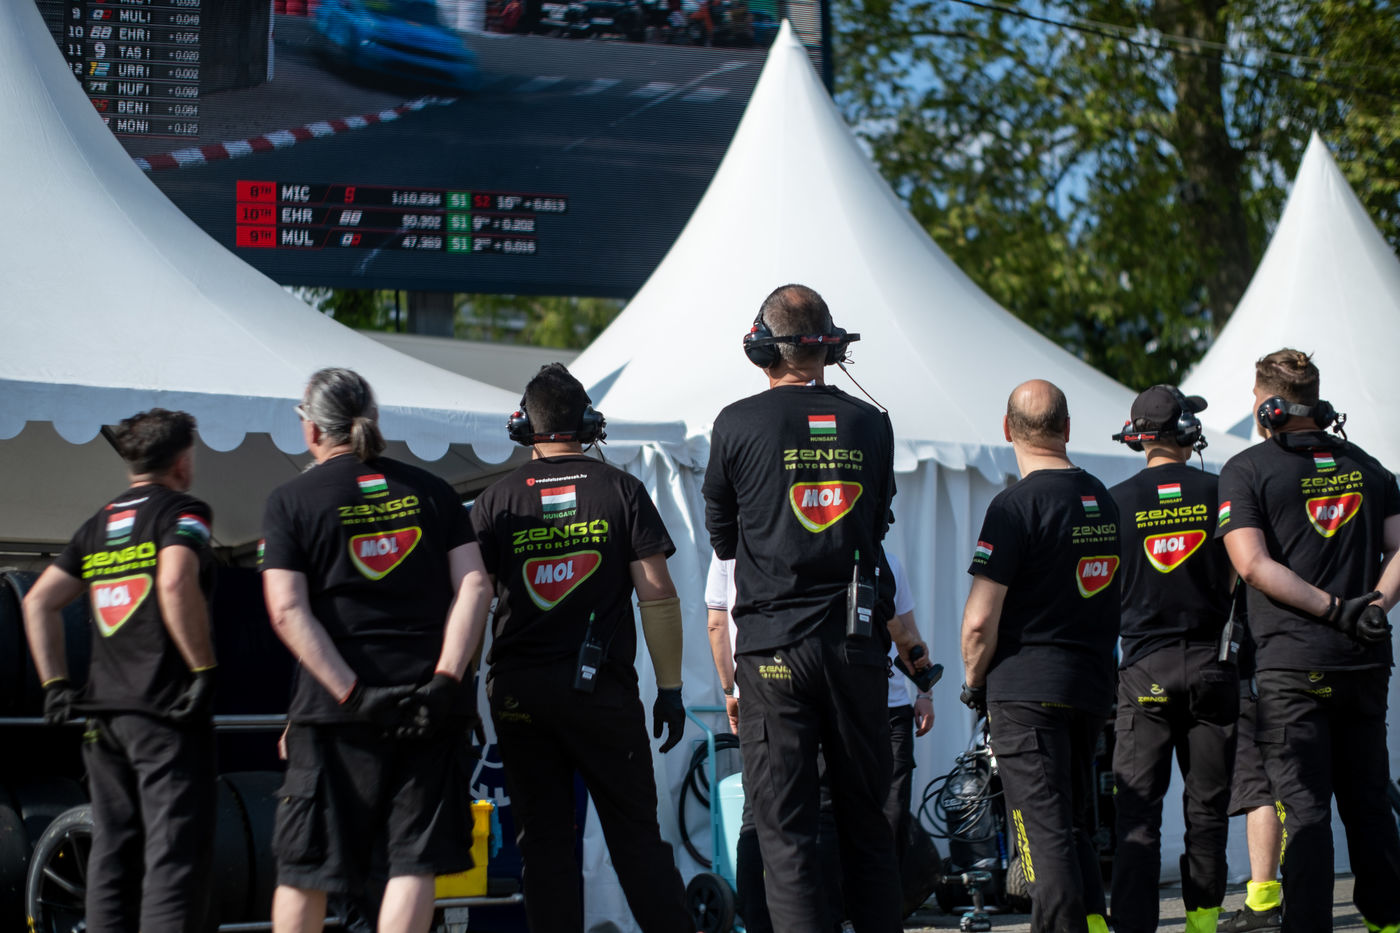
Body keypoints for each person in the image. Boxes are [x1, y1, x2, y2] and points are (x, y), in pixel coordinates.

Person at [702, 283, 927, 932]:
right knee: (868, 825)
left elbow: (723, 540)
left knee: (786, 833)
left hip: (773, 649)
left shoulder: (735, 422)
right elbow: (876, 527)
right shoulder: (872, 424)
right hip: (856, 648)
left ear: (763, 349)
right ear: (830, 347)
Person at [259, 368, 493, 933]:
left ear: (311, 429)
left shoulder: (290, 500)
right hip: (427, 707)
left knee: (307, 866)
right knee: (413, 862)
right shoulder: (433, 491)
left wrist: (353, 694)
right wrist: (444, 681)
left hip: (335, 714)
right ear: (374, 420)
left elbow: (287, 610)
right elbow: (475, 586)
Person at [471, 363, 693, 933]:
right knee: (637, 839)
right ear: (590, 423)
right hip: (602, 697)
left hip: (519, 695)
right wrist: (670, 690)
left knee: (544, 844)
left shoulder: (495, 500)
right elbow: (658, 595)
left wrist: (461, 686)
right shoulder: (622, 490)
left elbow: (473, 600)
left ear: (522, 425)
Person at [1216, 349, 1400, 933]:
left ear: (1268, 406)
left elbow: (1251, 565)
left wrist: (1337, 610)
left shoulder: (1245, 469)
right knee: (1370, 803)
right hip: (1364, 662)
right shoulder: (1367, 465)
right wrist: (1375, 607)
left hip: (1293, 668)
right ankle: (1387, 922)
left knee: (1307, 811)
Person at [23, 408, 218, 933]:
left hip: (102, 720)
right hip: (166, 713)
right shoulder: (186, 511)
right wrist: (203, 669)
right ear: (182, 460)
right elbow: (174, 581)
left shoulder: (99, 523)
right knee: (173, 858)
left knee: (112, 854)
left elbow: (38, 601)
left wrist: (55, 684)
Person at [959, 379, 1118, 933]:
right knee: (1070, 824)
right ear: (1067, 428)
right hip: (1089, 686)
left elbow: (979, 621)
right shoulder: (1102, 498)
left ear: (1007, 430)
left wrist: (972, 681)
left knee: (1041, 837)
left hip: (1026, 691)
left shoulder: (1013, 506)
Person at [1105, 386, 1237, 933]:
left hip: (1143, 671)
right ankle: (1202, 925)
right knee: (1207, 811)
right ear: (1187, 432)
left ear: (1137, 438)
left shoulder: (1113, 501)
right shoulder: (1221, 490)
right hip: (1212, 666)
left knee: (1137, 815)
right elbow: (1244, 572)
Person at [1220, 620, 1283, 932]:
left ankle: (1263, 906)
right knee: (1291, 788)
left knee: (1258, 791)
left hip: (1248, 675)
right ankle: (1297, 898)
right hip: (1288, 672)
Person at [881, 549, 935, 866]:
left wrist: (924, 693)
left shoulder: (890, 563)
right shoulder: (834, 554)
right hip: (850, 706)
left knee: (894, 810)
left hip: (895, 708)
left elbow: (910, 634)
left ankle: (890, 892)